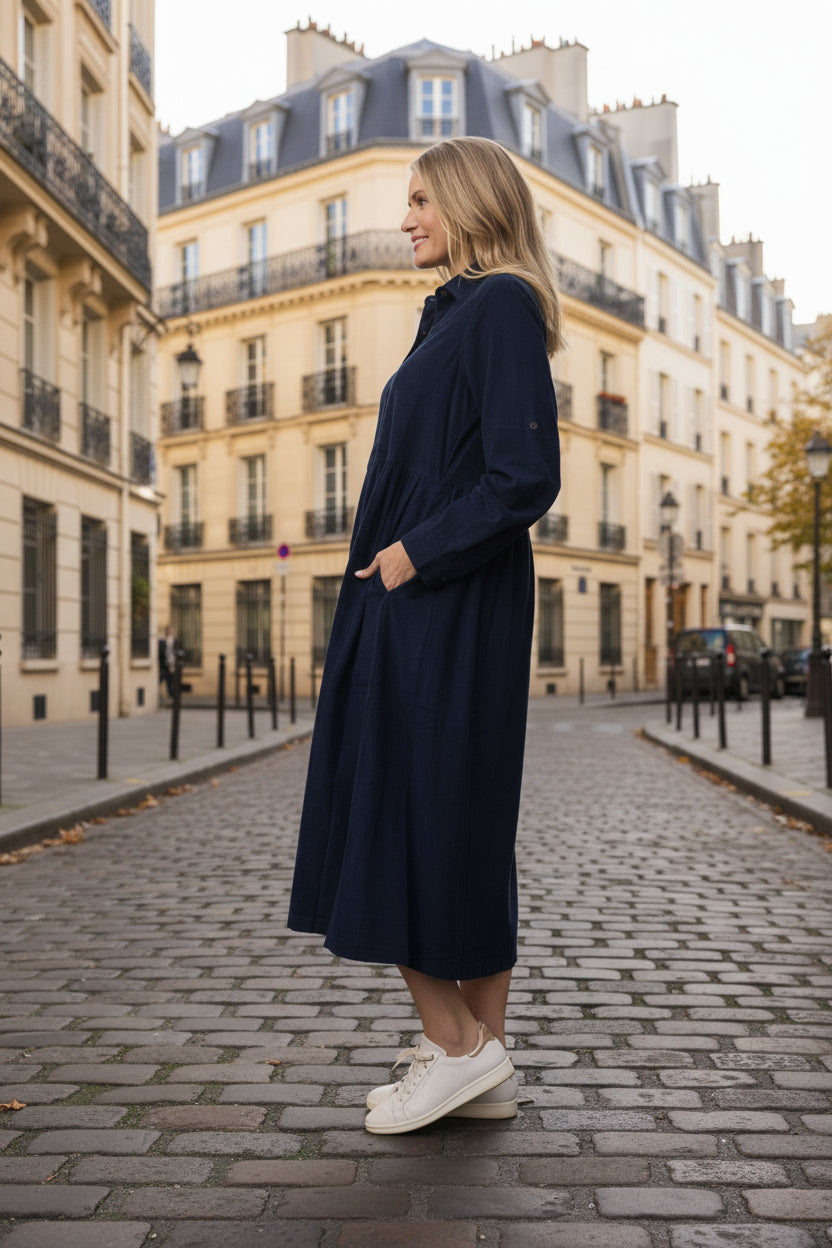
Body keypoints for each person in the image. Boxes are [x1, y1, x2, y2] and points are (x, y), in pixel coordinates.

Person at [288, 136, 563, 1134]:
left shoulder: (493, 308)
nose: (404, 218)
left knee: (395, 808)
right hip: (436, 605)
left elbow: (523, 476)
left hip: (440, 607)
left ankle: (454, 1044)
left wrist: (412, 555)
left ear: (465, 202)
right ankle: (483, 1067)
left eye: (417, 200)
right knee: (455, 818)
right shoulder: (455, 311)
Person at [158, 626, 176, 701]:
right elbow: (162, 653)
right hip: (164, 664)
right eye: (170, 632)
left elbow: (174, 653)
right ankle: (165, 695)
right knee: (161, 679)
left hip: (170, 664)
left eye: (172, 632)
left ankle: (170, 695)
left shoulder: (174, 641)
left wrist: (172, 664)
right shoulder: (162, 641)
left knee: (169, 680)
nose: (171, 633)